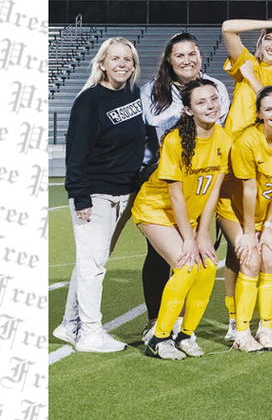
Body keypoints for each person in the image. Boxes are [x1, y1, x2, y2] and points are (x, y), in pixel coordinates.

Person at [54, 37, 147, 352]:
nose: (122, 65)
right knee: (94, 265)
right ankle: (91, 334)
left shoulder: (134, 94)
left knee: (89, 261)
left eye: (128, 60)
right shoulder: (89, 101)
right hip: (94, 193)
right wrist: (80, 197)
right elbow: (75, 153)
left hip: (122, 194)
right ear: (103, 63)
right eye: (116, 59)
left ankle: (70, 326)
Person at [136, 33, 230, 341]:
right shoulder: (155, 92)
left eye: (193, 54)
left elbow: (215, 178)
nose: (187, 60)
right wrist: (190, 239)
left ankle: (182, 330)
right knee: (175, 259)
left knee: (202, 262)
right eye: (180, 55)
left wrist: (202, 233)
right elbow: (158, 127)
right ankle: (159, 327)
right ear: (169, 60)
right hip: (164, 183)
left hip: (196, 186)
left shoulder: (215, 97)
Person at [217, 87, 272, 352]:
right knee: (250, 259)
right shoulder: (247, 141)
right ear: (259, 114)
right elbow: (249, 189)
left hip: (266, 211)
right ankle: (241, 332)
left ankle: (267, 328)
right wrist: (251, 233)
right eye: (269, 109)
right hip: (235, 209)